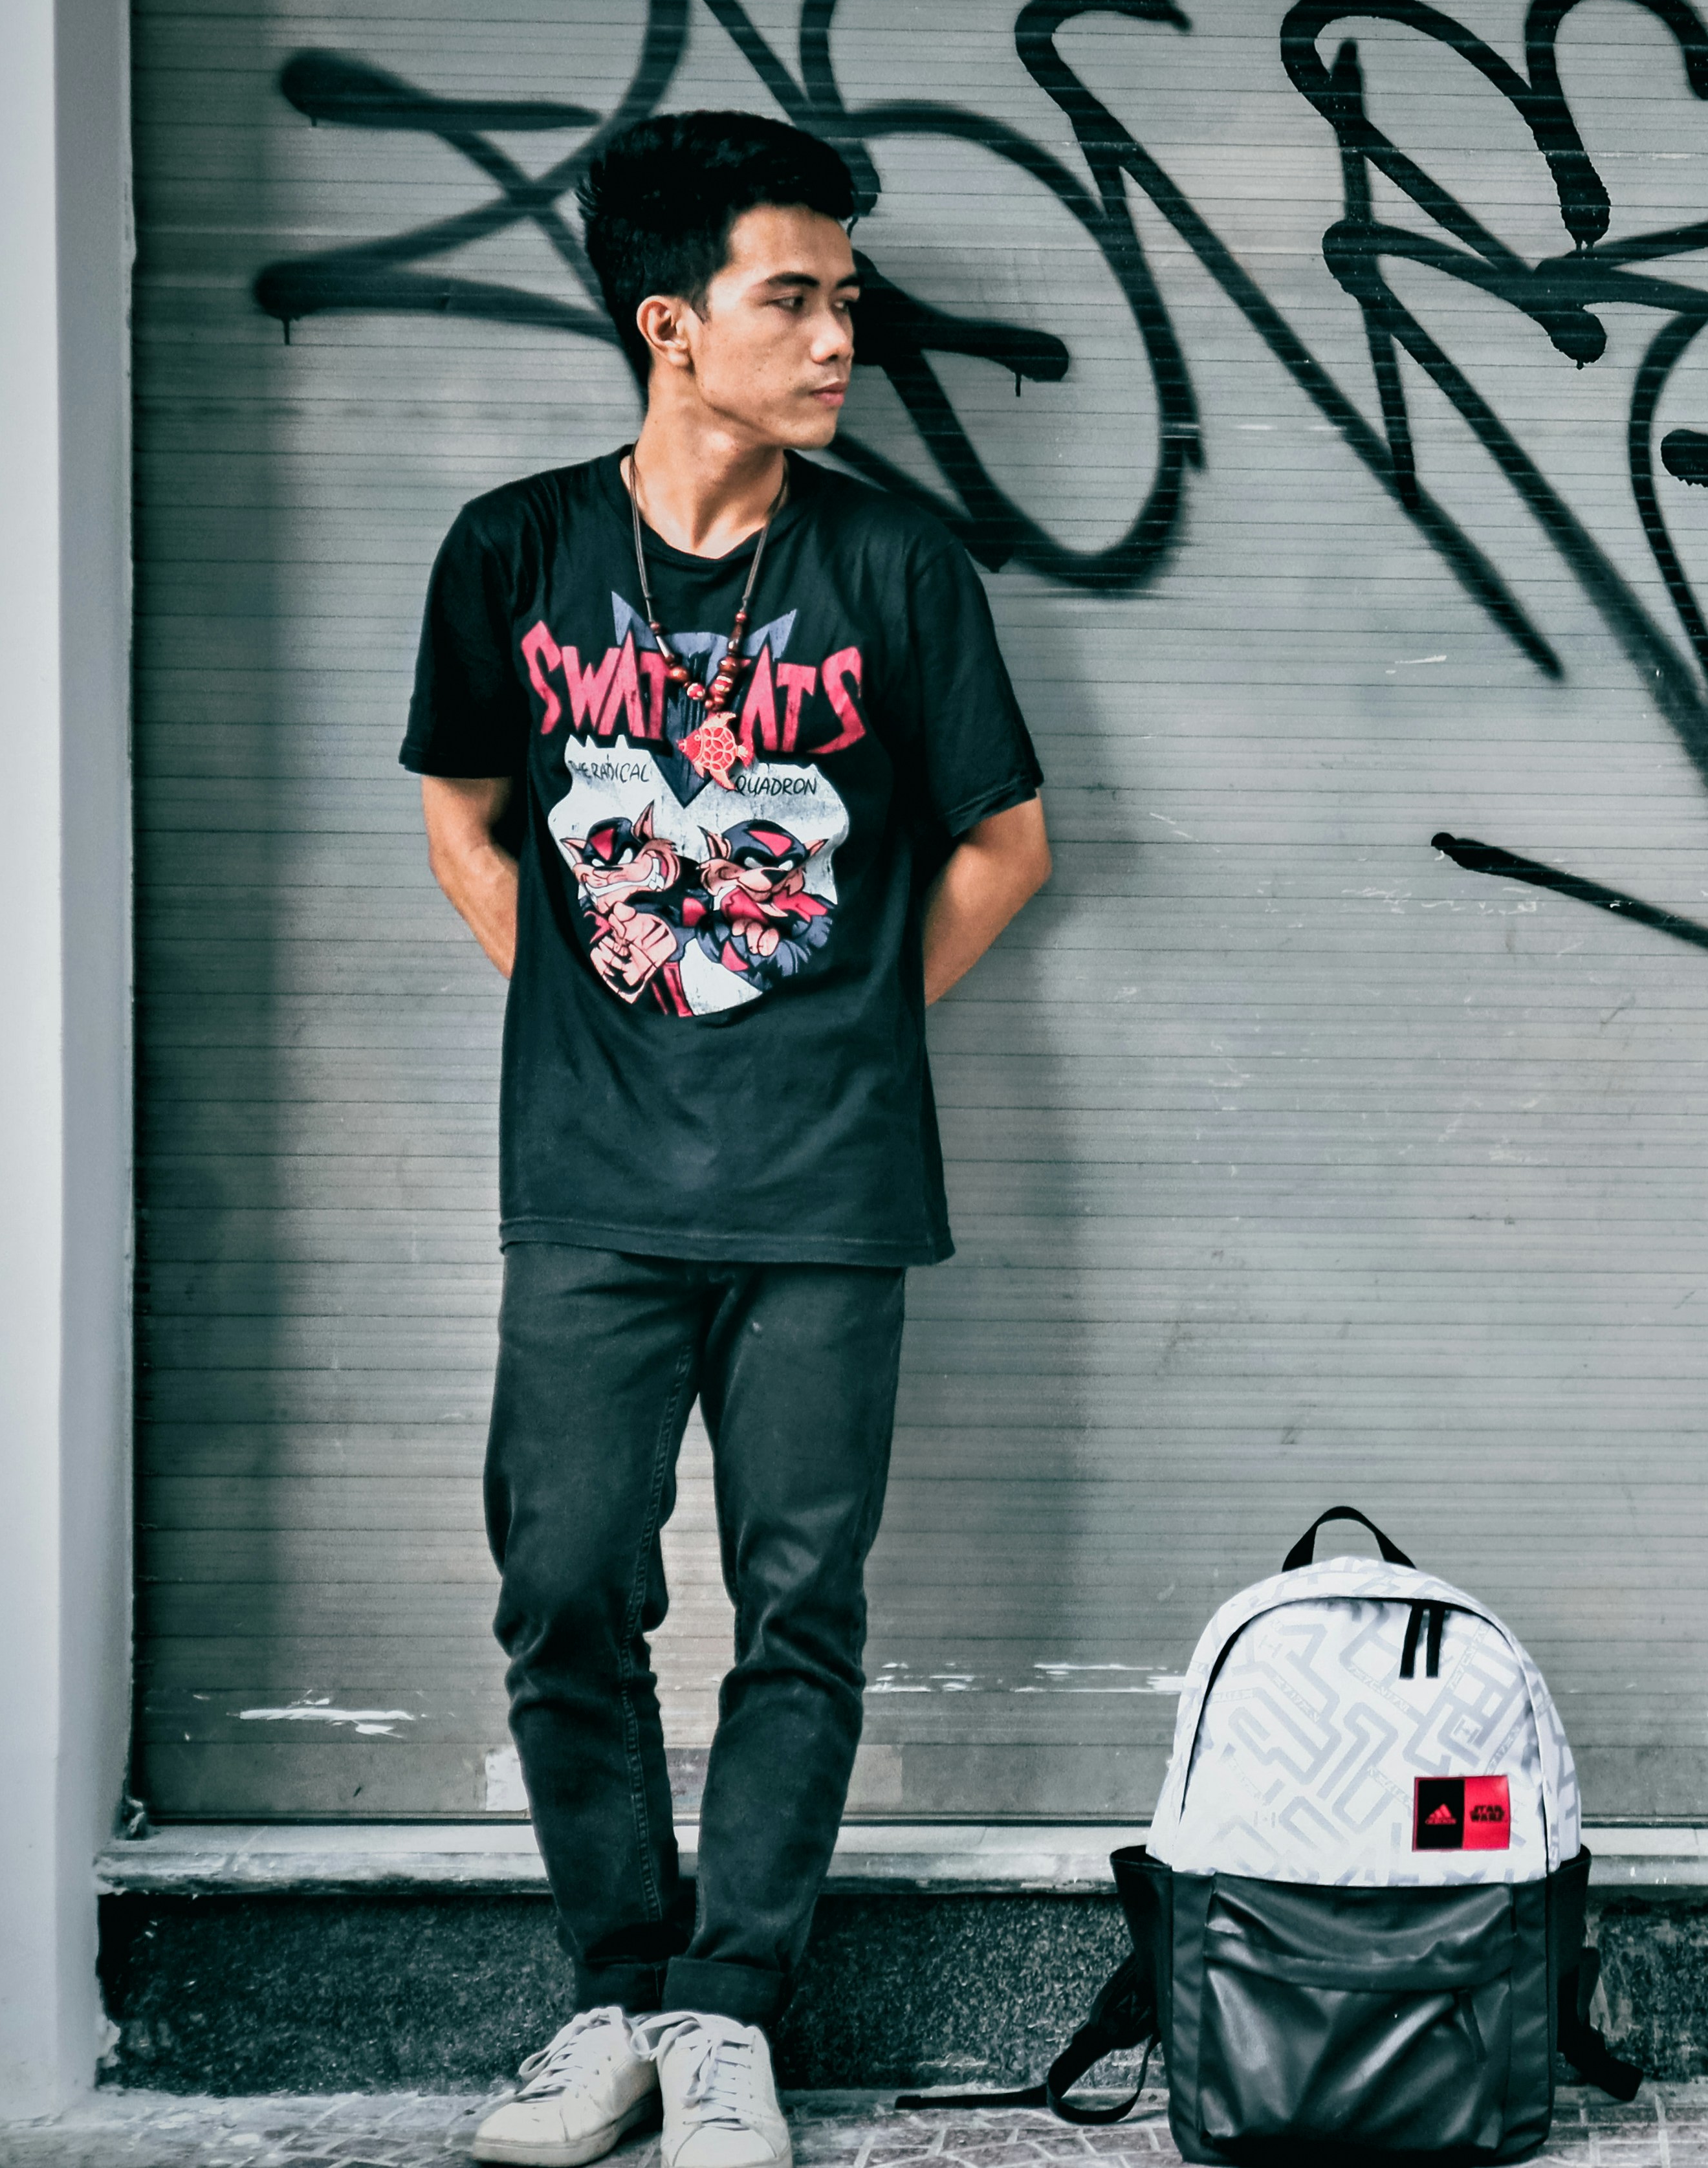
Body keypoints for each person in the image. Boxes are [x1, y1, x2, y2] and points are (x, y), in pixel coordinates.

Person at [403, 109, 1053, 2168]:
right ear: (672, 325)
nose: (839, 334)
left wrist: (831, 1028)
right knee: (566, 1584)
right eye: (797, 296)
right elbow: (463, 816)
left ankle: (728, 2012)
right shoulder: (513, 551)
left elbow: (1010, 844)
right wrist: (600, 1008)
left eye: (845, 298)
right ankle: (611, 1992)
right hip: (590, 1183)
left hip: (826, 1184)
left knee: (801, 1604)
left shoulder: (890, 560)